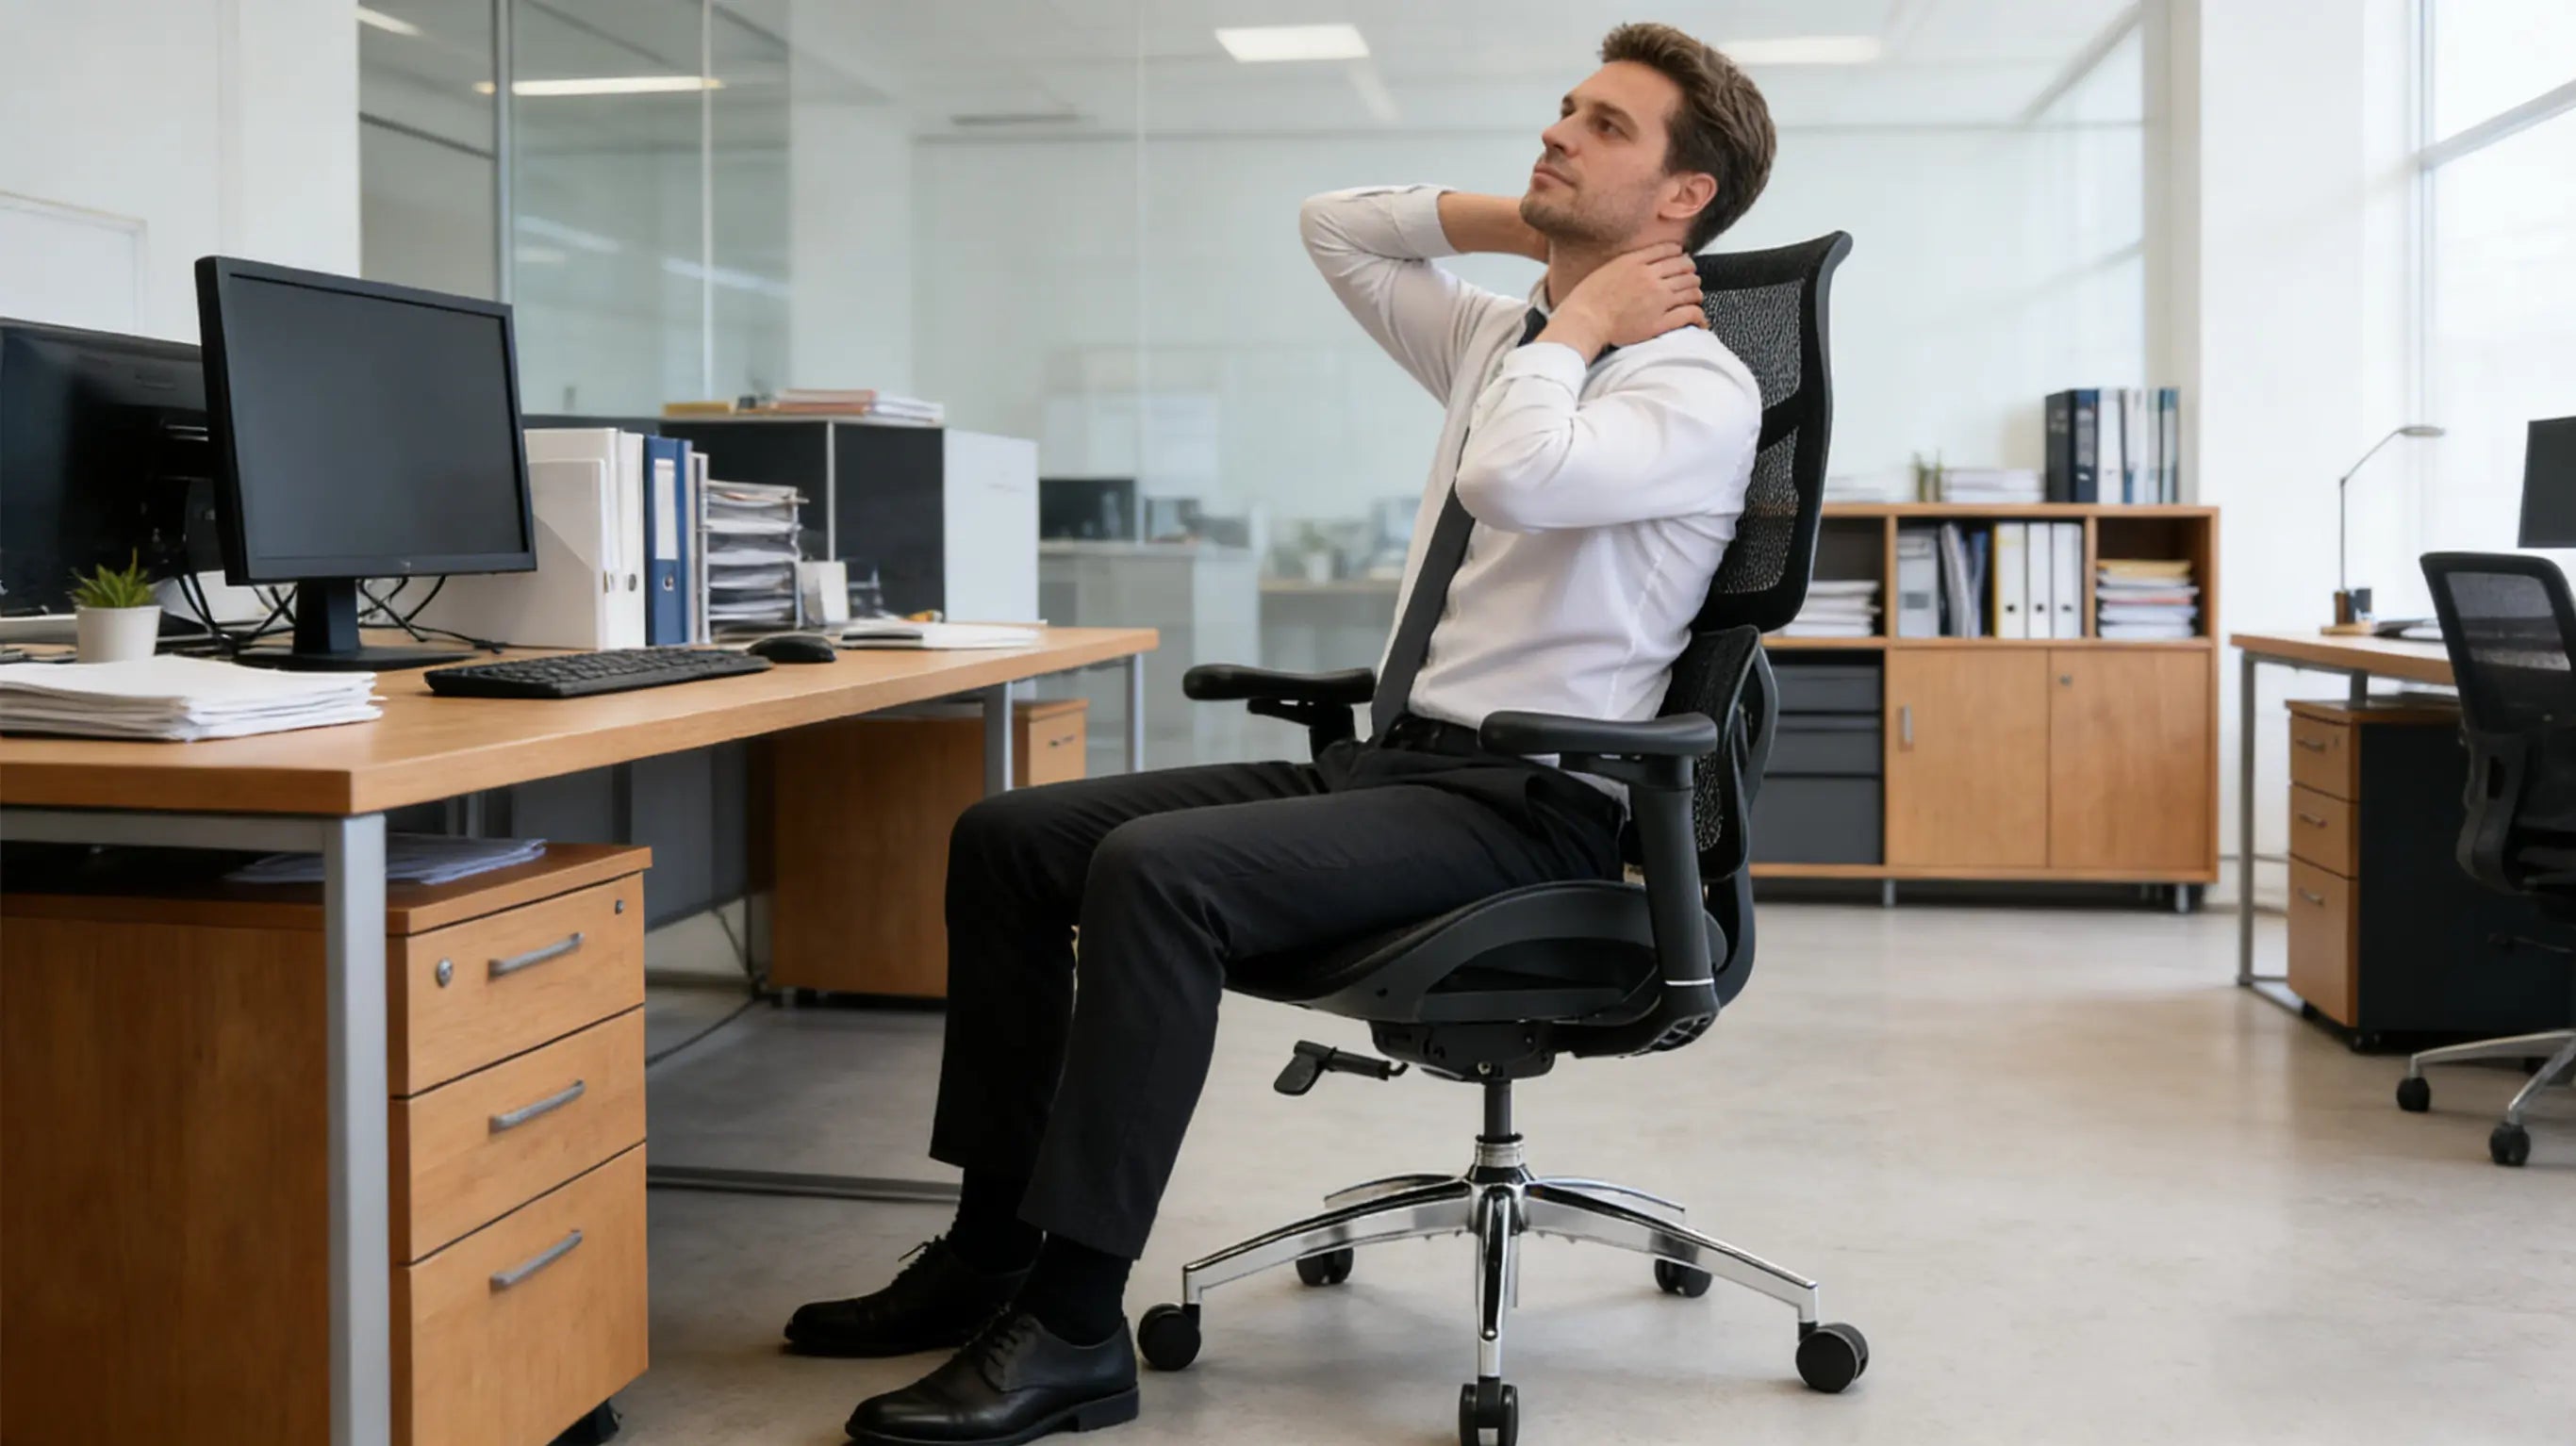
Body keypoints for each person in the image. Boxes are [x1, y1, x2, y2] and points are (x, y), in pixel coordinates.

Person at [803, 21, 1777, 1445]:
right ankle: (989, 1250)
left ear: (1685, 197)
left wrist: (1581, 321)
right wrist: (1549, 241)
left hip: (1537, 803)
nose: (1557, 130)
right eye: (1565, 108)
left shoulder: (1693, 387)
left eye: (1605, 127)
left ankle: (1073, 1327)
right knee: (1010, 836)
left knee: (1159, 874)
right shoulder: (1505, 339)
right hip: (1402, 769)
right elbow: (1338, 228)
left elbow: (1514, 479)